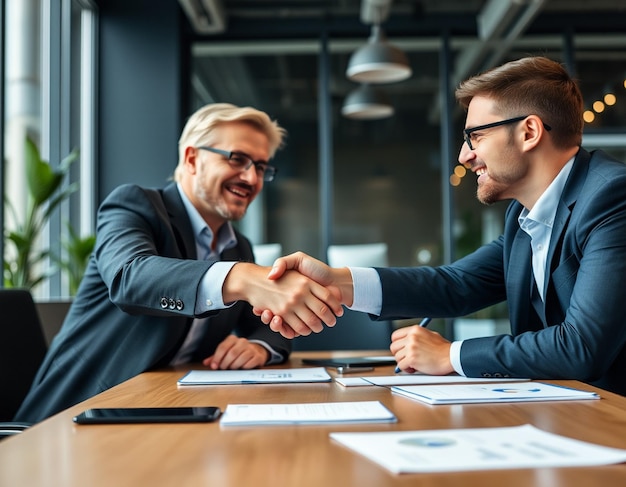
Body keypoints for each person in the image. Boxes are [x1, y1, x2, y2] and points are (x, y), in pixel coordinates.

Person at [258, 56, 626, 396]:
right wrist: (336, 282)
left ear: (529, 132)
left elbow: (582, 346)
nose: (464, 156)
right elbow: (456, 284)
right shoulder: (524, 217)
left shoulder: (611, 198)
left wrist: (451, 355)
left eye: (476, 136)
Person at [15, 103, 342, 423]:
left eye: (260, 167)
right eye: (238, 159)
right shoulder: (135, 205)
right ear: (192, 158)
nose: (251, 177)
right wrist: (238, 277)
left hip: (166, 407)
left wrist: (257, 346)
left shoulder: (236, 246)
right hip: (77, 414)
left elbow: (264, 322)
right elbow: (130, 278)